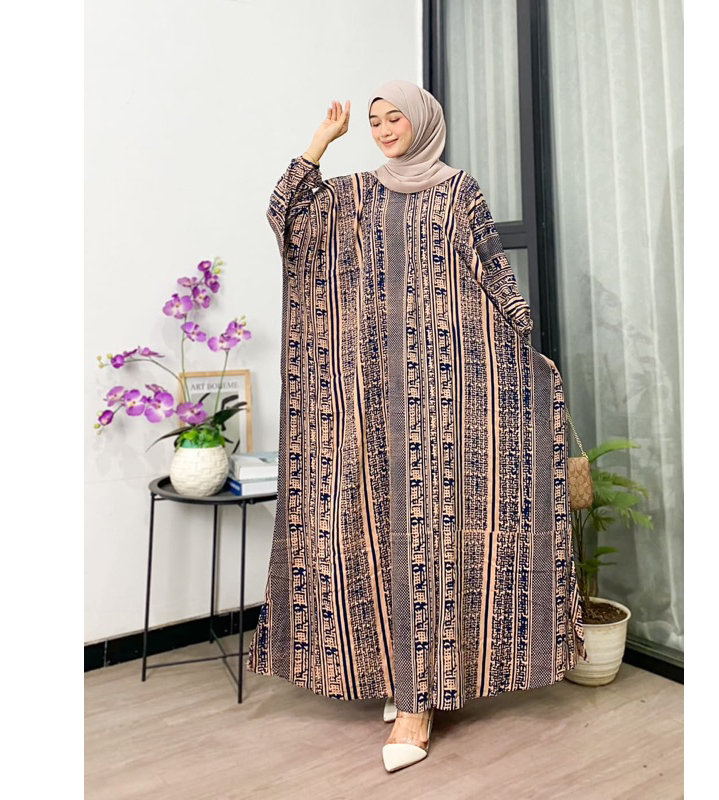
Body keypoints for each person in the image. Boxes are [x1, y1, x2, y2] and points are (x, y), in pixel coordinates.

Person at [247, 80, 586, 773]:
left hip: (448, 400)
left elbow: (494, 275)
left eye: (394, 116)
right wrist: (321, 142)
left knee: (437, 535)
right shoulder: (353, 196)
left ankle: (417, 704)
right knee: (378, 532)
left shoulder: (459, 192)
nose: (382, 128)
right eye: (374, 120)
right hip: (370, 400)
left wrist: (526, 346)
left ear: (424, 119)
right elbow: (287, 217)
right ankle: (405, 679)